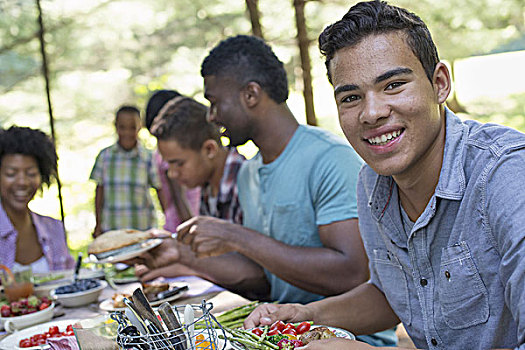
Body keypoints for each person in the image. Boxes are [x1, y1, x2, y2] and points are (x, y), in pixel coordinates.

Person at [243, 1, 525, 349]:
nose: (372, 113)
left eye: (393, 85)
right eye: (351, 97)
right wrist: (304, 316)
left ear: (439, 83)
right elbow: (394, 294)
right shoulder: (372, 184)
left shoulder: (508, 178)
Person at [140, 35, 396, 346]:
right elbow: (261, 273)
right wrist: (180, 254)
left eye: (215, 101)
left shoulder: (328, 159)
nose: (211, 116)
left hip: (347, 339)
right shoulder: (249, 171)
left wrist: (235, 236)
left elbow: (351, 273)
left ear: (251, 94)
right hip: (282, 336)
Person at [135, 95, 245, 282]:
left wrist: (181, 255)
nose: (172, 174)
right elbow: (216, 261)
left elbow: (256, 274)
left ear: (209, 149)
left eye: (178, 163)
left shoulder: (244, 183)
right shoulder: (208, 186)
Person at [0, 126, 75, 273]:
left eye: (31, 173)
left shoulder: (54, 229)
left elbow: (72, 282)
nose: (22, 182)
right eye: (11, 174)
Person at [90, 105, 161, 237]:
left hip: (141, 228)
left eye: (132, 127)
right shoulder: (105, 156)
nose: (127, 133)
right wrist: (98, 224)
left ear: (140, 127)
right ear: (116, 126)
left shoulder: (148, 157)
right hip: (112, 228)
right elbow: (99, 192)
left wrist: (166, 221)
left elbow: (159, 188)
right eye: (122, 127)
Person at [145, 90, 201, 232]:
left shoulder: (164, 153)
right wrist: (192, 230)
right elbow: (178, 196)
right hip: (184, 224)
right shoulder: (171, 156)